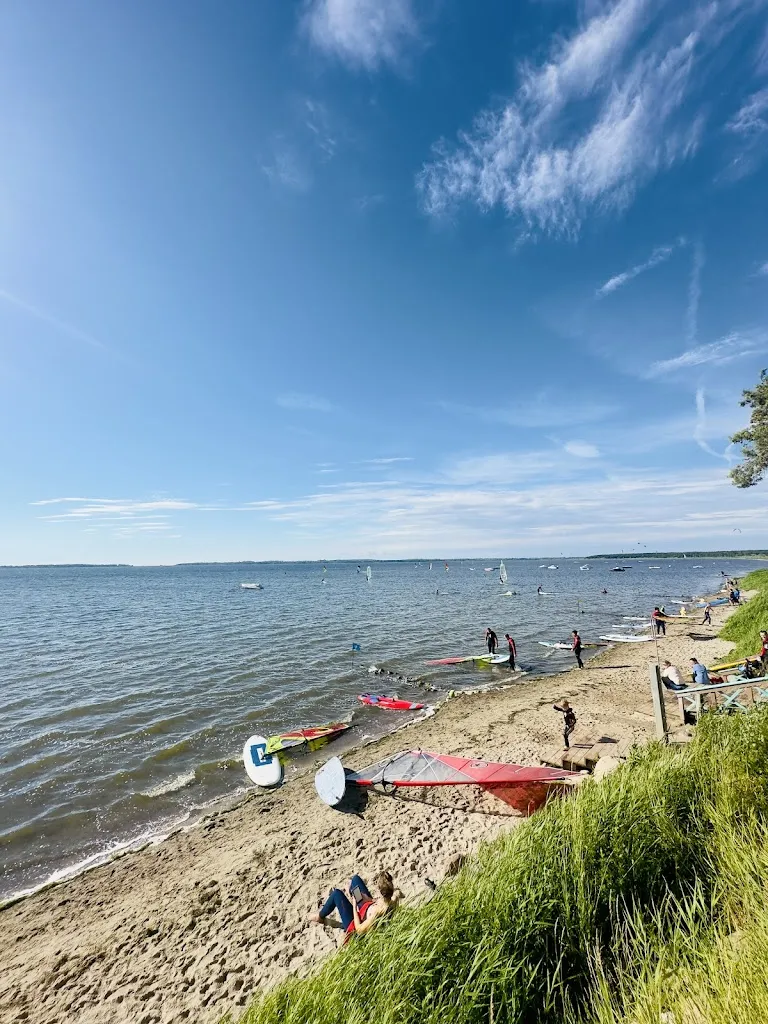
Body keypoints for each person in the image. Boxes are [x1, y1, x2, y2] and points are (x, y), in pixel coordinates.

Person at [309, 871, 400, 938]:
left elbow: (359, 929)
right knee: (355, 880)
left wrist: (354, 904)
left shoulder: (376, 913)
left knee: (337, 894)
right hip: (366, 909)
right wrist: (367, 899)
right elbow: (377, 901)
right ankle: (351, 891)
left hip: (355, 924)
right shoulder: (393, 899)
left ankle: (319, 917)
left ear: (380, 891)